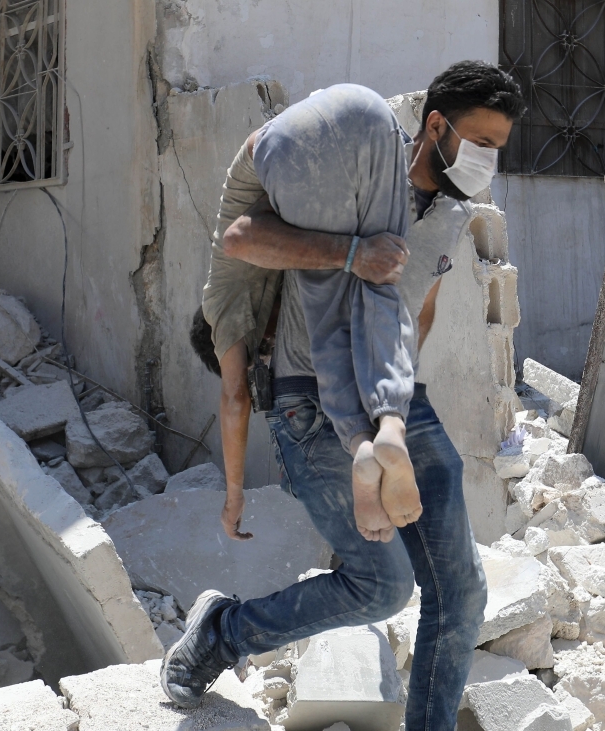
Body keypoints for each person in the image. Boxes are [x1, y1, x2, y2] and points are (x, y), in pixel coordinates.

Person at [168, 61, 525, 730]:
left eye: (500, 148)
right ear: (436, 126)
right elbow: (247, 239)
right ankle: (223, 631)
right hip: (309, 394)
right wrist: (350, 252)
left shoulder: (452, 215)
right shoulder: (354, 167)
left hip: (398, 393)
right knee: (383, 584)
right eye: (481, 142)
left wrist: (400, 397)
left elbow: (419, 310)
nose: (488, 160)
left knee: (462, 592)